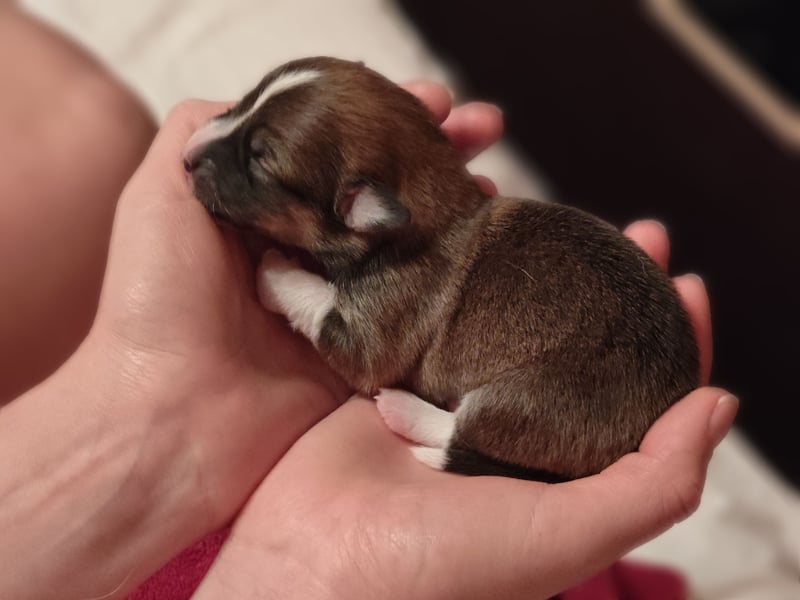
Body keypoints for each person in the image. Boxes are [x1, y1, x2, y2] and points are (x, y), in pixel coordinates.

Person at [0, 4, 736, 599]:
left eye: (254, 146)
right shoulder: (405, 241)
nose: (197, 144)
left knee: (528, 404)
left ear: (362, 214)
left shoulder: (404, 266)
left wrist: (293, 292)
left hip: (564, 412)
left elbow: (362, 353)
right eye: (249, 128)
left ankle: (462, 444)